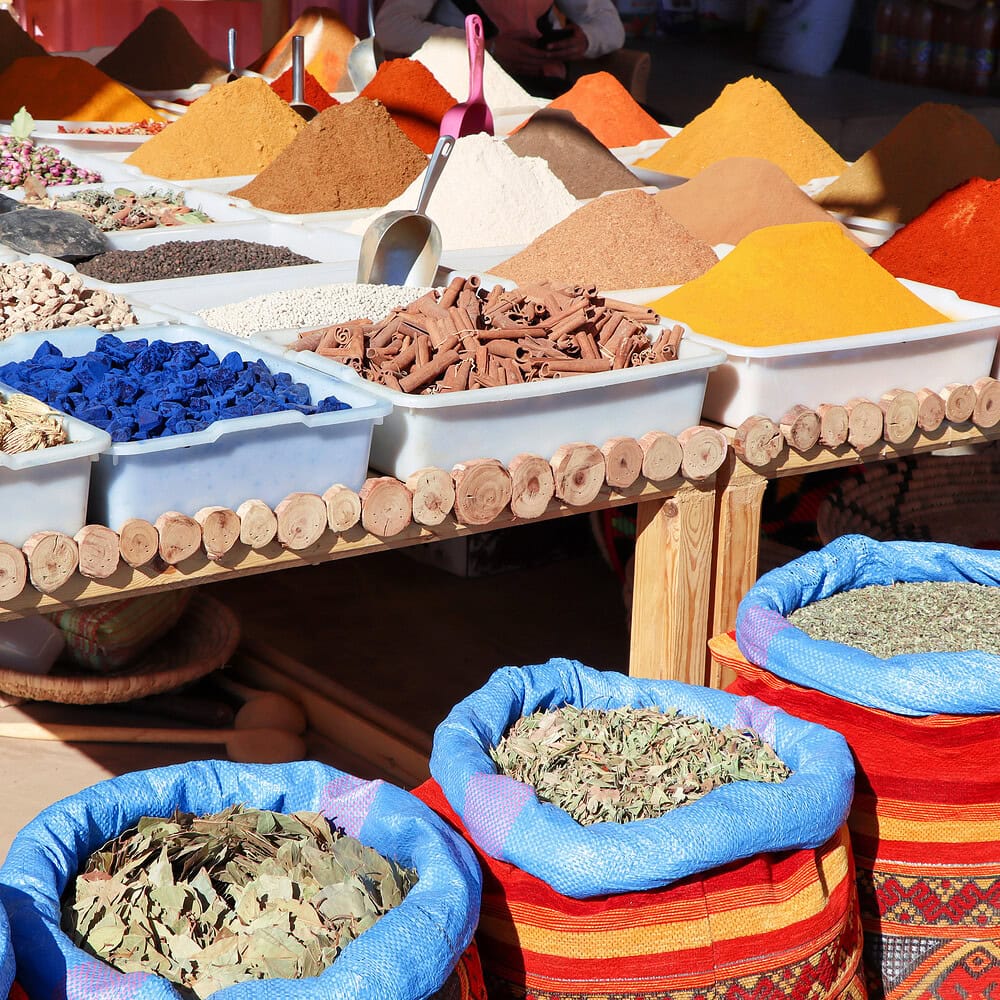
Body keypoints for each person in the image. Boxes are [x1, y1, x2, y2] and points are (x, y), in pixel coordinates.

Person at [374, 0, 627, 95]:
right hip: (467, 93)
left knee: (659, 123)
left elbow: (610, 25)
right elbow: (390, 28)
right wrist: (486, 48)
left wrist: (587, 39)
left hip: (547, 91)